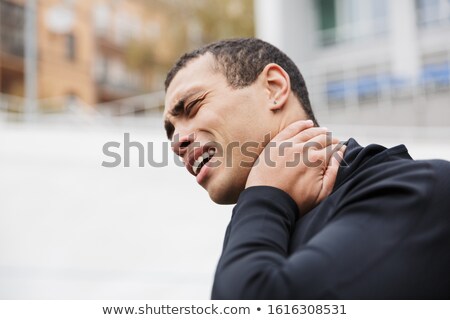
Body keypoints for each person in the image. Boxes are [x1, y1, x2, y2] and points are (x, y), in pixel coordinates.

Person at [163, 38, 450, 299]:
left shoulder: (418, 189)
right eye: (170, 132)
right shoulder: (265, 221)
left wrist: (263, 196)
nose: (177, 142)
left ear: (274, 88)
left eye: (192, 106)